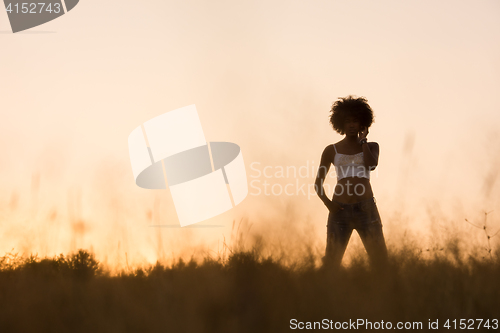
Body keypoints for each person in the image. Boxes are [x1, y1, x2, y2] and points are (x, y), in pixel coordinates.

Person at [315, 95, 388, 270]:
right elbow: (318, 183)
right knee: (331, 263)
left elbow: (371, 165)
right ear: (341, 124)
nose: (351, 125)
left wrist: (363, 141)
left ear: (363, 123)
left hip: (366, 210)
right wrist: (328, 204)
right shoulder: (331, 150)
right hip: (339, 211)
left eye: (355, 121)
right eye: (347, 121)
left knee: (380, 262)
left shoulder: (371, 147)